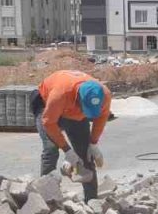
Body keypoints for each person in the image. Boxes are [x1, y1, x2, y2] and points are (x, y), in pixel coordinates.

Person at [31, 69, 111, 200]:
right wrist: (67, 151)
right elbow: (49, 123)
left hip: (72, 112)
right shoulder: (61, 93)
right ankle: (47, 200)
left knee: (86, 153)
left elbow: (101, 118)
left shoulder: (104, 94)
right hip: (46, 105)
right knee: (51, 149)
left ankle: (92, 202)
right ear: (79, 98)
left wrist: (93, 143)